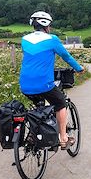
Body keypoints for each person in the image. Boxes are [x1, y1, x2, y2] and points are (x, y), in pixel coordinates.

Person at [19, 11, 84, 150]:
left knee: (40, 107)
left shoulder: (24, 39)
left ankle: (33, 134)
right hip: (43, 83)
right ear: (46, 25)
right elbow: (66, 56)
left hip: (25, 84)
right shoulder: (52, 39)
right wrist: (79, 68)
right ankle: (63, 138)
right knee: (60, 103)